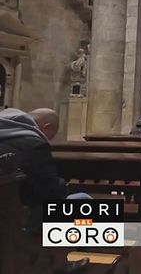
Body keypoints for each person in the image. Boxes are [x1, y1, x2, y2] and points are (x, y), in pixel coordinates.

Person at [0, 108, 90, 272]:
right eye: (51, 135)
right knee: (84, 201)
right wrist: (63, 186)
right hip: (20, 220)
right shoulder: (33, 144)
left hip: (8, 214)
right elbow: (53, 192)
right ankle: (60, 262)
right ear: (46, 127)